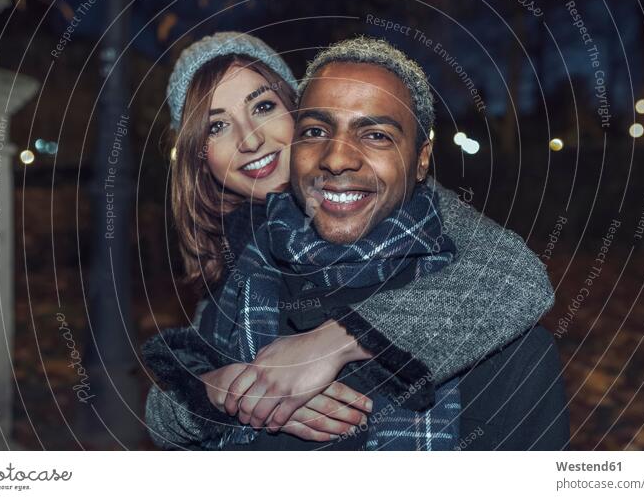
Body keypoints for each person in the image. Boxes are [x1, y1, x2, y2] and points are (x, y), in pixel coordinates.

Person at [143, 33, 562, 449]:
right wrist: (239, 392)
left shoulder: (419, 209)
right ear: (198, 154)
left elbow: (518, 278)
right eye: (216, 125)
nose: (250, 139)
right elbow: (164, 410)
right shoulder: (238, 265)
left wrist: (334, 343)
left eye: (264, 107)